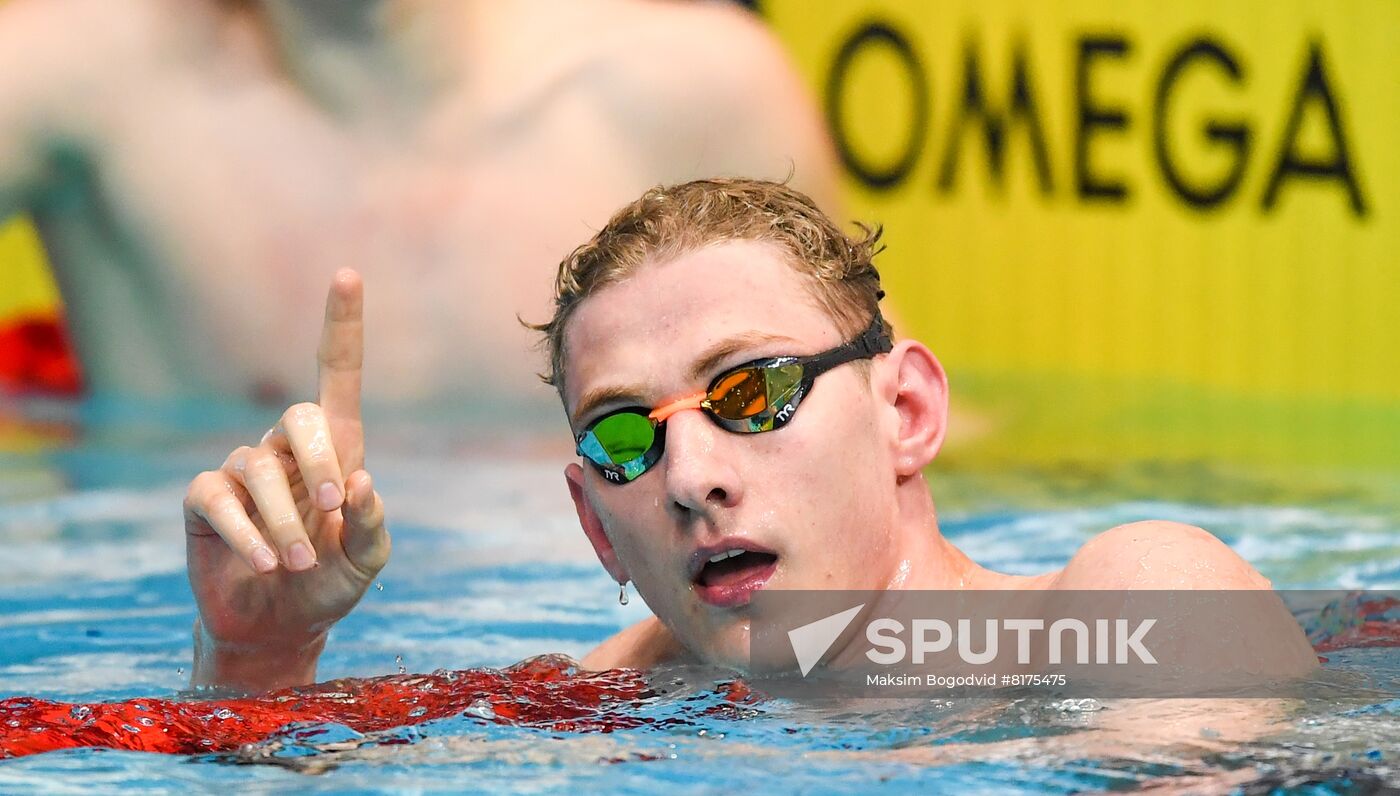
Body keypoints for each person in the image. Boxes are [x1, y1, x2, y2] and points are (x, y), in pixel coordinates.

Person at [183, 178, 1317, 693]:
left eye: (752, 391)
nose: (686, 476)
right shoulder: (608, 701)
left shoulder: (1114, 608)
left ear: (907, 413)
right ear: (592, 526)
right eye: (624, 437)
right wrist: (255, 650)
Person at [0, 0, 838, 405]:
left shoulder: (689, 90)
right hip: (205, 714)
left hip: (600, 716)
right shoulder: (92, 84)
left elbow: (891, 476)